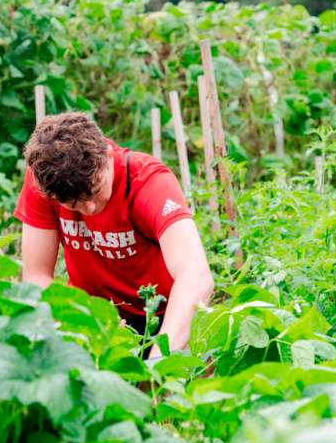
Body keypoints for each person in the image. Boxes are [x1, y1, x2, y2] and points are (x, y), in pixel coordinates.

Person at [14, 112, 214, 358]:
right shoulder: (46, 181)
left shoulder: (147, 182)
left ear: (107, 156)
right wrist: (88, 315)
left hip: (165, 314)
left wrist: (159, 363)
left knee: (180, 383)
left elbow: (196, 275)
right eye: (73, 204)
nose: (90, 209)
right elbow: (35, 276)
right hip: (95, 317)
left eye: (96, 191)